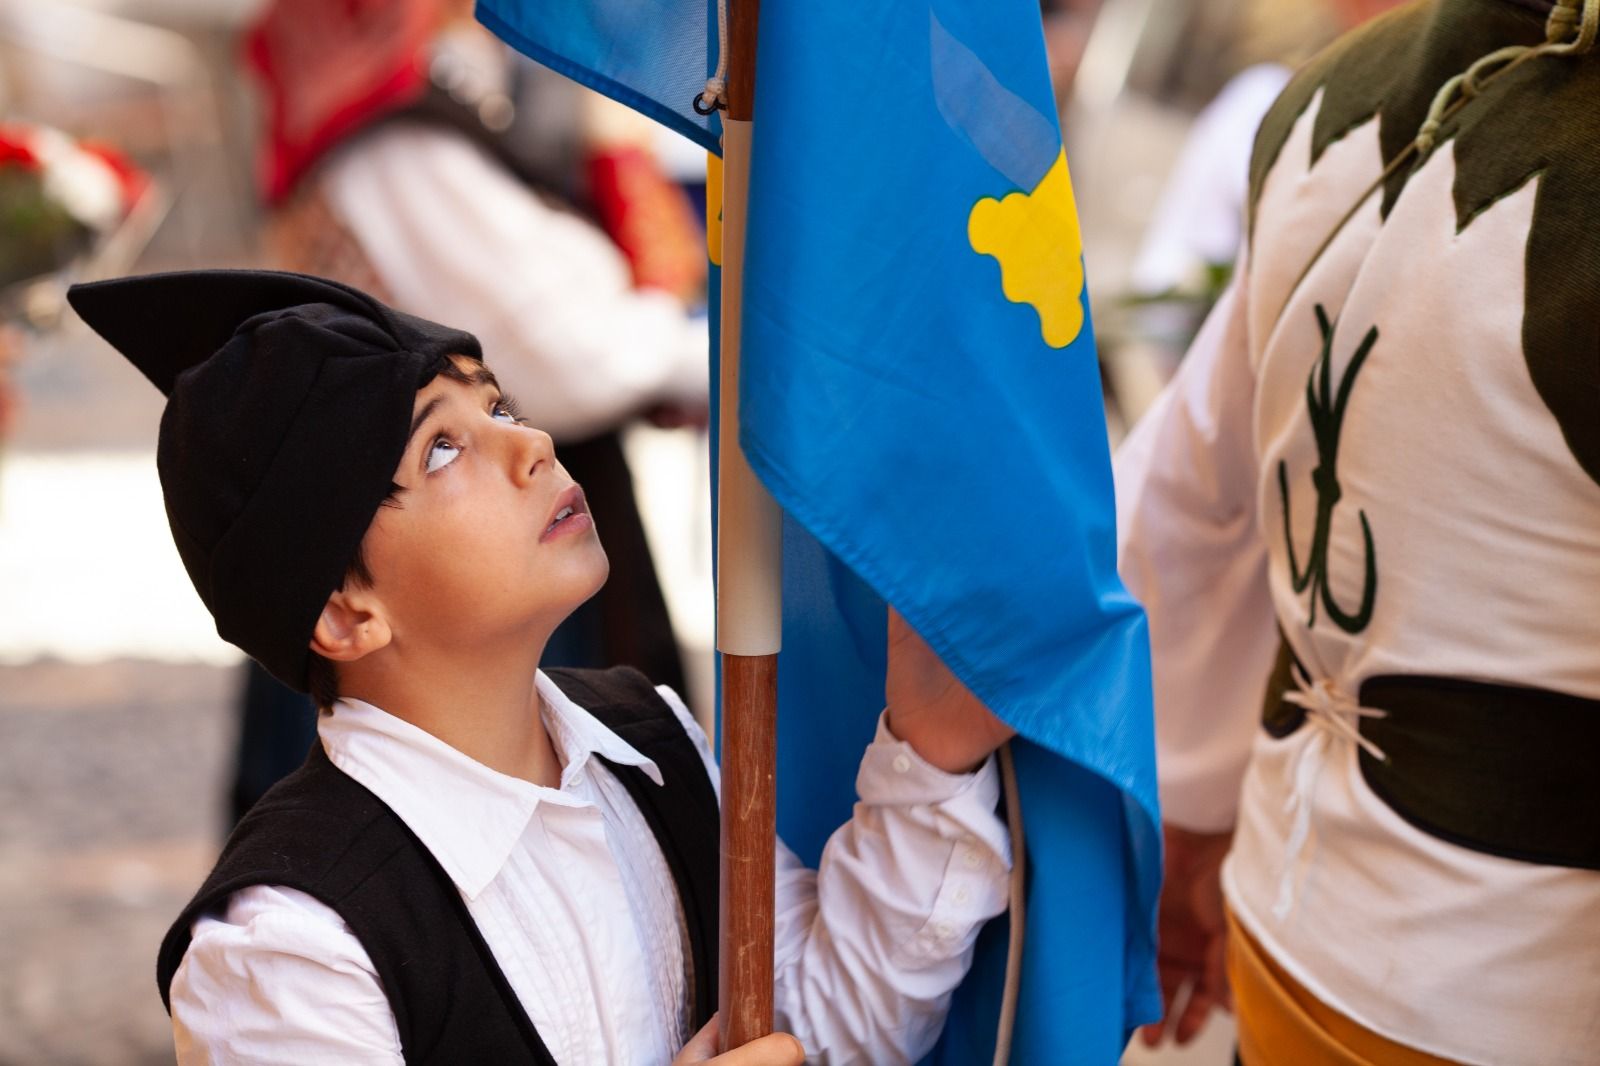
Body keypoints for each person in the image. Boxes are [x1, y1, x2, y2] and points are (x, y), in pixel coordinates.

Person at [67, 269, 1016, 1065]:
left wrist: (928, 753)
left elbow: (826, 1022)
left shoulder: (653, 743)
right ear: (342, 612)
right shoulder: (290, 947)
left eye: (499, 406)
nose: (533, 444)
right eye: (442, 448)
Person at [1119, 0, 1600, 1062]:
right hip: (1514, 1000)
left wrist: (1191, 813)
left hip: (1286, 924)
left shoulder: (1330, 88)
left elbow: (1190, 501)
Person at [225, 0, 710, 822]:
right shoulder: (393, 140)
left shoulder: (406, 121)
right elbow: (567, 348)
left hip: (444, 568)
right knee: (458, 839)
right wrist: (720, 364)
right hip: (441, 596)